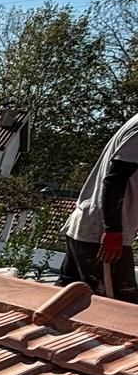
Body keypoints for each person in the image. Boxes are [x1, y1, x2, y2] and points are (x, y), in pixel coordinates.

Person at [63, 112, 138, 302]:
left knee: (62, 303)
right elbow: (115, 178)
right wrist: (112, 231)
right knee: (117, 309)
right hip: (101, 236)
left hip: (89, 228)